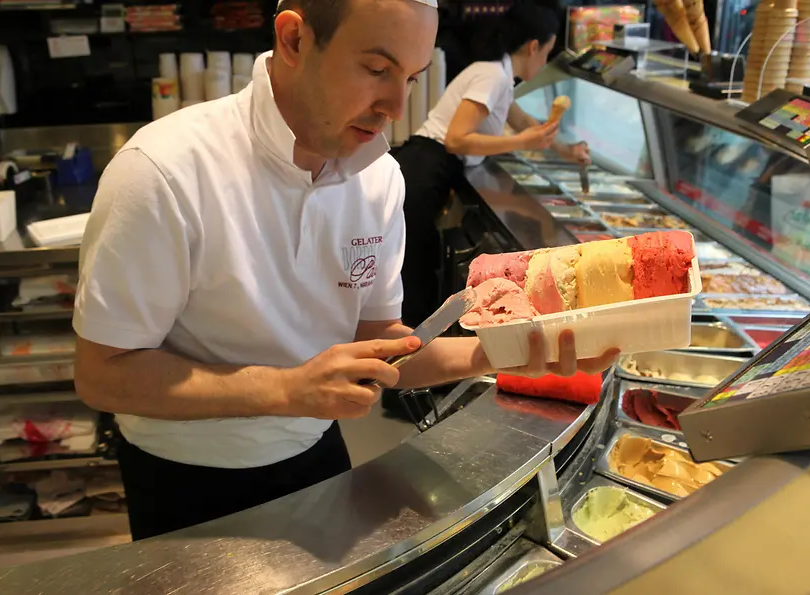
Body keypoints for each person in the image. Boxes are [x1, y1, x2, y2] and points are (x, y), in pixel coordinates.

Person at [72, 0, 619, 541]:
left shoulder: (379, 178)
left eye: (411, 77)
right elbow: (102, 373)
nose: (395, 106)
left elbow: (382, 346)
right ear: (294, 40)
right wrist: (287, 390)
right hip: (187, 478)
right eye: (377, 70)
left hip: (318, 452)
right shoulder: (162, 171)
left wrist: (510, 352)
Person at [396, 0, 590, 327]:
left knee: (417, 280)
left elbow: (526, 123)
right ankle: (406, 368)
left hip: (430, 168)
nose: (544, 62)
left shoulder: (500, 75)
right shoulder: (492, 76)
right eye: (547, 53)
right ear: (532, 47)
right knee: (415, 285)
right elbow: (457, 138)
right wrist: (521, 143)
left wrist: (566, 150)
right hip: (424, 169)